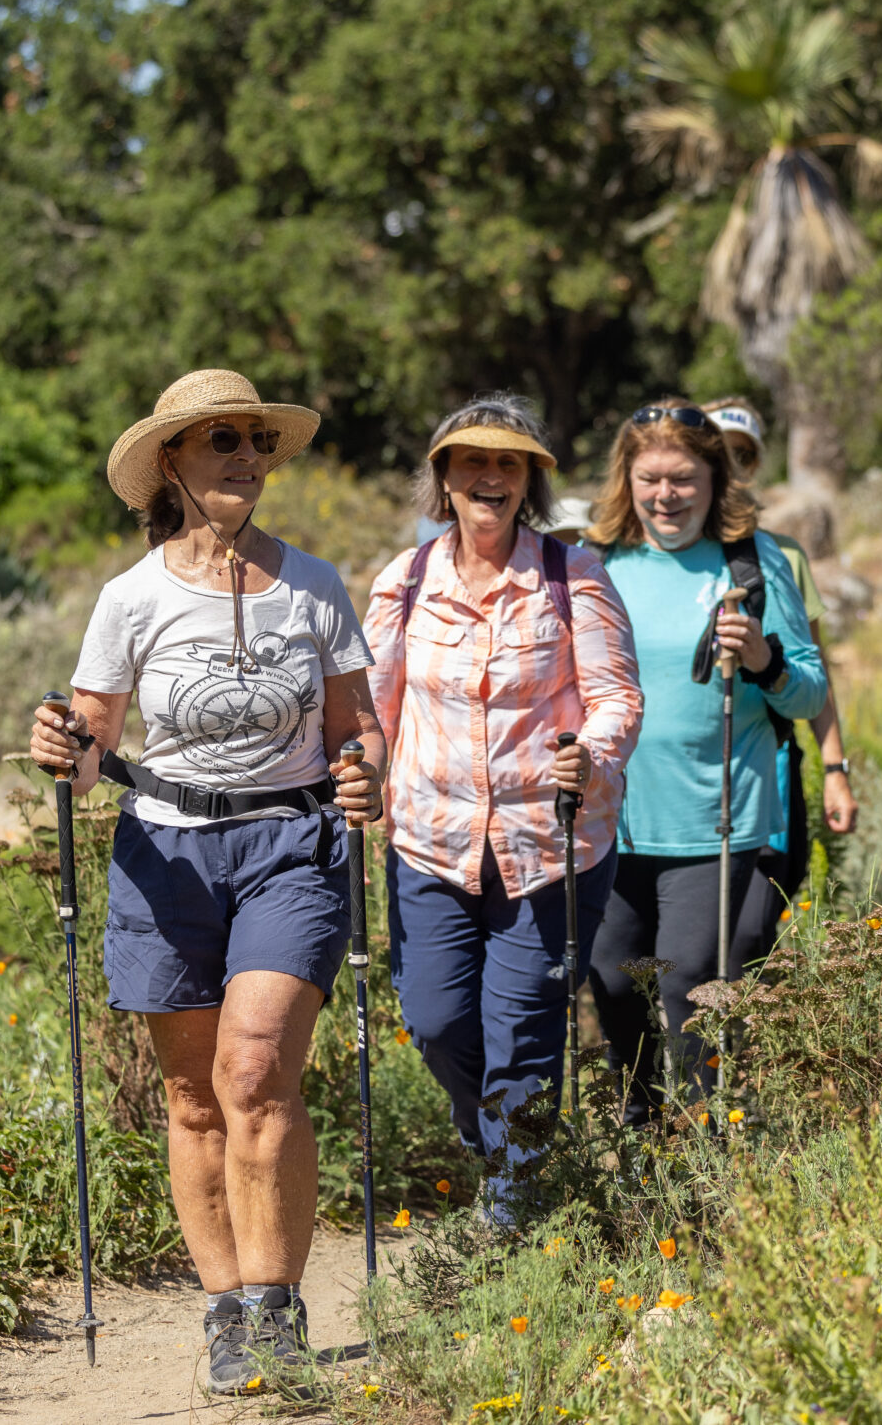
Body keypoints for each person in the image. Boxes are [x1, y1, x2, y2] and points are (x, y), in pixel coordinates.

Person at [27, 368, 384, 1396]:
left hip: (289, 846)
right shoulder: (129, 598)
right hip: (165, 850)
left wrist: (363, 771)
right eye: (219, 439)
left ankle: (276, 1304)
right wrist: (60, 746)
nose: (242, 456)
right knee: (192, 1099)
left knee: (255, 1068)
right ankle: (226, 1308)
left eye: (255, 441)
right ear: (171, 463)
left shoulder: (314, 584)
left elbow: (352, 729)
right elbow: (91, 742)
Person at [366, 396, 642, 1209]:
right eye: (473, 461)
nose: (490, 477)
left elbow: (618, 699)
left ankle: (515, 1216)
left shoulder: (573, 576)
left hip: (549, 845)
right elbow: (374, 712)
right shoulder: (404, 582)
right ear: (443, 475)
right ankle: (497, 1145)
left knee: (521, 1036)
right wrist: (359, 773)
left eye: (509, 463)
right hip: (429, 844)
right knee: (437, 1019)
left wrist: (589, 755)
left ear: (529, 482)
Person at [584, 400, 826, 1124]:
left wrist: (761, 655)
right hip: (614, 825)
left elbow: (810, 692)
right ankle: (640, 1140)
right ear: (625, 481)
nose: (666, 496)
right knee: (616, 987)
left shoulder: (753, 563)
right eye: (650, 478)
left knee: (689, 988)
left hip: (718, 825)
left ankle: (701, 1159)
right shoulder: (594, 565)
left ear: (715, 481)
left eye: (684, 479)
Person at [700, 397, 858, 955]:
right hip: (681, 788)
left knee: (747, 936)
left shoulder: (781, 556)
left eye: (743, 455)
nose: (730, 464)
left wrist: (835, 770)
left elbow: (814, 670)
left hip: (766, 774)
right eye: (717, 449)